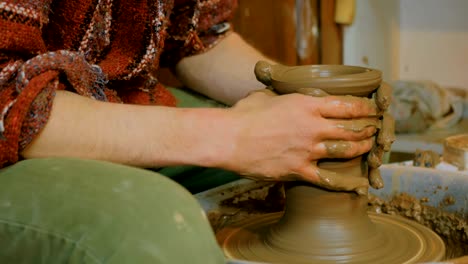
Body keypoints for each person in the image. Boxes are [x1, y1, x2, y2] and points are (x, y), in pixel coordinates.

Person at [0, 0, 378, 263]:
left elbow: (198, 38)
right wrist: (232, 136)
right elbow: (8, 98)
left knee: (338, 142)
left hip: (109, 100)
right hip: (16, 137)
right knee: (154, 224)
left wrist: (320, 102)